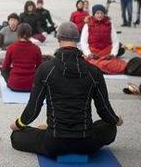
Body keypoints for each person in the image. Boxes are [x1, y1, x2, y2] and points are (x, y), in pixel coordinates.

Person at [10, 21, 122, 158]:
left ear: (58, 39)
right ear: (78, 39)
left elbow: (33, 108)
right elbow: (104, 109)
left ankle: (47, 129)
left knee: (16, 135)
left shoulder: (45, 69)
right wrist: (116, 120)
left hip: (54, 142)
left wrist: (18, 123)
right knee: (110, 127)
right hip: (86, 142)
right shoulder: (94, 72)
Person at [80, 5, 126, 74]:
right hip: (93, 53)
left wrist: (112, 54)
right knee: (91, 64)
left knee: (117, 65)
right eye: (97, 13)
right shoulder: (87, 25)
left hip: (106, 54)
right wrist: (89, 54)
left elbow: (115, 41)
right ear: (94, 14)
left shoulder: (109, 24)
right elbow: (83, 42)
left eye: (101, 13)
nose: (99, 15)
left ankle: (102, 68)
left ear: (104, 14)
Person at [1, 23, 43, 92]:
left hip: (14, 84)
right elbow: (40, 68)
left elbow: (5, 68)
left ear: (18, 33)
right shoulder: (36, 48)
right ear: (30, 34)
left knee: (4, 70)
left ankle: (11, 81)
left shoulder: (11, 48)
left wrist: (9, 80)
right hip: (31, 85)